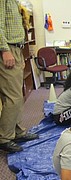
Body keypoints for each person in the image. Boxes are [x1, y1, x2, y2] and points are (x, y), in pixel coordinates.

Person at [0, 0, 39, 153]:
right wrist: (5, 51)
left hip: (16, 48)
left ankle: (17, 131)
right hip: (7, 49)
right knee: (13, 97)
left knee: (17, 96)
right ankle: (4, 138)